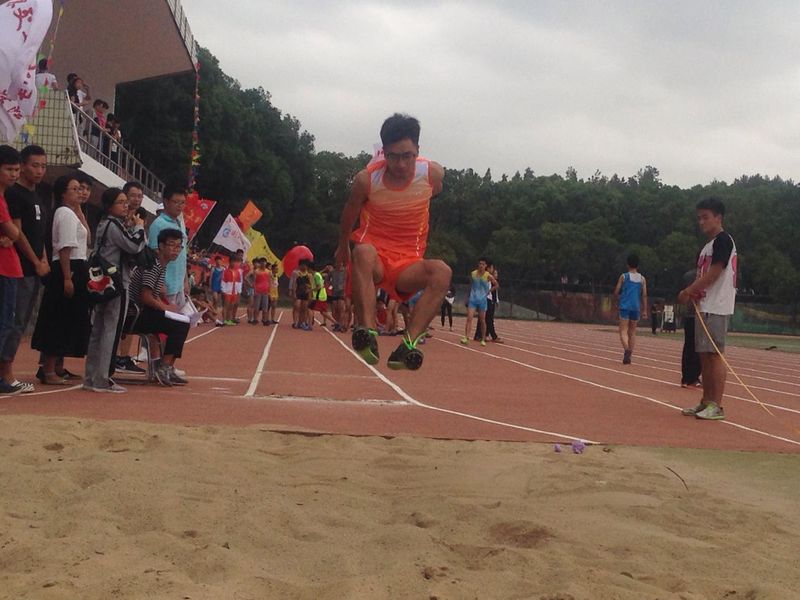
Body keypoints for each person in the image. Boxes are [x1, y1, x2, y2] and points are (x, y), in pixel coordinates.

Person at [336, 113, 450, 370]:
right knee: (363, 251)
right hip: (375, 257)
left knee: (442, 271)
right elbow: (349, 212)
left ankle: (408, 345)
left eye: (408, 156)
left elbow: (436, 190)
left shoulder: (431, 174)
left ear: (418, 150)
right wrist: (342, 245)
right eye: (393, 156)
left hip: (407, 264)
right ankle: (367, 333)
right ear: (383, 152)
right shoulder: (367, 180)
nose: (401, 164)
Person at [679, 197, 737, 421]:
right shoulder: (707, 246)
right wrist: (695, 293)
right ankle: (706, 401)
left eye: (705, 217)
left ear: (718, 217)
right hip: (704, 305)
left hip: (717, 305)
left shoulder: (723, 240)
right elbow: (703, 274)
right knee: (703, 355)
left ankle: (716, 404)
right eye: (699, 218)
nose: (701, 222)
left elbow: (715, 272)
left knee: (714, 355)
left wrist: (689, 290)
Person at [83, 188, 146, 392]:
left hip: (103, 281)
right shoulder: (114, 224)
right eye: (121, 202)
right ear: (109, 206)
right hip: (117, 282)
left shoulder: (103, 223)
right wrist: (139, 227)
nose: (126, 206)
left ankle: (91, 376)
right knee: (112, 329)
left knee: (98, 329)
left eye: (126, 202)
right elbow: (134, 246)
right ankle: (104, 377)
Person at [31, 175, 91, 384]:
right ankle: (48, 369)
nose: (80, 192)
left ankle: (57, 366)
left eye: (81, 189)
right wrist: (67, 277)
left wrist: (79, 209)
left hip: (75, 265)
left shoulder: (72, 213)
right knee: (59, 319)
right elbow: (65, 247)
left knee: (68, 319)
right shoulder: (64, 213)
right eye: (74, 189)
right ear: (63, 193)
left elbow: (87, 237)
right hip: (67, 267)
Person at [1, 145, 50, 393]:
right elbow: (17, 234)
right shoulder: (13, 195)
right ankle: (6, 373)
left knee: (18, 323)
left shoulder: (38, 197)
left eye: (43, 166)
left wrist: (43, 259)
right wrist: (35, 261)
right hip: (18, 267)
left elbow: (37, 234)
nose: (39, 171)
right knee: (12, 322)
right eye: (34, 165)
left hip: (31, 269)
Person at [126, 228, 190, 386]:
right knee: (180, 324)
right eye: (171, 245)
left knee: (180, 321)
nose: (175, 250)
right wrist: (165, 308)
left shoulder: (161, 265)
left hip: (142, 311)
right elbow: (145, 296)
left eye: (179, 246)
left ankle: (164, 367)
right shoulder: (153, 265)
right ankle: (164, 367)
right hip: (134, 314)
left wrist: (166, 305)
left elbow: (153, 295)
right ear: (161, 246)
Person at [114, 181, 149, 374]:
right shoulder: (119, 219)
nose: (136, 199)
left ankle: (124, 356)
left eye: (140, 196)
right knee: (119, 317)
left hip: (134, 274)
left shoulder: (140, 219)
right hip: (119, 273)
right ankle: (115, 357)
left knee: (131, 315)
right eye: (133, 195)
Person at [0, 146, 23, 395]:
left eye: (17, 170)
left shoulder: (5, 198)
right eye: (9, 169)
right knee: (5, 323)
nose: (14, 175)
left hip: (10, 267)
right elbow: (14, 232)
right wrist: (10, 234)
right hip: (4, 269)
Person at [613, 253, 648, 365]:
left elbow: (616, 291)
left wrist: (616, 301)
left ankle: (627, 349)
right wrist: (645, 310)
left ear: (627, 264)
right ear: (638, 265)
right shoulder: (642, 279)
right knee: (632, 332)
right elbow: (644, 295)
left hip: (625, 306)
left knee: (623, 331)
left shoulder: (624, 277)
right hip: (636, 307)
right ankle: (629, 355)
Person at [461, 258, 498, 347]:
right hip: (473, 299)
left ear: (485, 266)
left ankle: (483, 338)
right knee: (469, 318)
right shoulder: (473, 274)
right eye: (480, 264)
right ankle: (466, 337)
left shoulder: (488, 276)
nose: (481, 265)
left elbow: (496, 285)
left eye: (483, 264)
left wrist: (489, 291)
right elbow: (470, 285)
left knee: (482, 320)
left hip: (482, 300)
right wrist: (467, 297)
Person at [679, 269, 702, 388]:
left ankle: (689, 377)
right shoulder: (692, 276)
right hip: (694, 315)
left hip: (695, 316)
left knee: (691, 347)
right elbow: (682, 296)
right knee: (694, 348)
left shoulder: (689, 275)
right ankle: (690, 377)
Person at [290, 259, 313, 330]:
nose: (304, 267)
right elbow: (294, 283)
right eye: (302, 265)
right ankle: (295, 322)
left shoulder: (309, 275)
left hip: (305, 293)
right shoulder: (296, 273)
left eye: (305, 265)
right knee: (297, 306)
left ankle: (302, 322)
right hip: (298, 292)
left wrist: (310, 293)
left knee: (304, 308)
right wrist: (293, 292)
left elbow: (311, 285)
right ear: (300, 266)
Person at [221, 254, 243, 325]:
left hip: (234, 292)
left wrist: (239, 291)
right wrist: (223, 290)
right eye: (234, 261)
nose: (235, 263)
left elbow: (239, 282)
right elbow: (223, 281)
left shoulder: (237, 272)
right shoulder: (225, 271)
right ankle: (224, 320)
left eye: (236, 262)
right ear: (230, 262)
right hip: (228, 291)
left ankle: (228, 320)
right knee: (226, 306)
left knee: (231, 306)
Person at [252, 258, 271, 325]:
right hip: (258, 291)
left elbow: (269, 281)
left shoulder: (268, 271)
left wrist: (269, 291)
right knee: (256, 306)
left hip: (265, 291)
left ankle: (264, 320)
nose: (263, 264)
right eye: (262, 262)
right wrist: (255, 291)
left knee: (265, 306)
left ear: (266, 263)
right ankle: (255, 319)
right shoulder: (256, 271)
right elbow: (254, 281)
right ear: (260, 263)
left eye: (264, 262)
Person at [209, 254, 225, 325]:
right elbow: (210, 278)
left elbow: (224, 278)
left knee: (217, 301)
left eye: (219, 261)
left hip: (220, 286)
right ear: (215, 262)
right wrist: (210, 286)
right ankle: (213, 312)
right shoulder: (213, 269)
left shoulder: (223, 269)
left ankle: (214, 313)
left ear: (221, 261)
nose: (218, 262)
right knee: (215, 299)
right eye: (217, 261)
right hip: (214, 286)